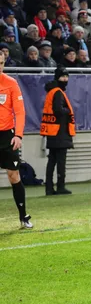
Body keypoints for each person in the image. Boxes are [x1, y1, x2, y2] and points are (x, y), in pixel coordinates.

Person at [0, 51, 32, 228]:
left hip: (7, 135)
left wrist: (18, 135)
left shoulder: (11, 83)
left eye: (1, 63)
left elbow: (19, 111)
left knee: (14, 175)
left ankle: (23, 216)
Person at [40, 67, 75, 195]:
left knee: (52, 161)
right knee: (60, 161)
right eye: (63, 77)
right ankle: (60, 186)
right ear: (57, 77)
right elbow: (58, 110)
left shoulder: (51, 91)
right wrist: (68, 111)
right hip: (60, 131)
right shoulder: (58, 92)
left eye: (66, 76)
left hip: (52, 131)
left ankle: (49, 188)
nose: (65, 79)